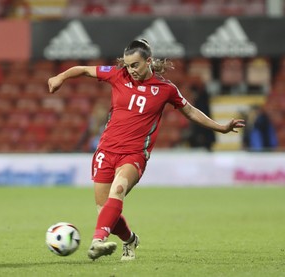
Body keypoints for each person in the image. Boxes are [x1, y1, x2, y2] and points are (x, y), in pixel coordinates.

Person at [48, 39, 245, 261]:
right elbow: (83, 69)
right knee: (106, 213)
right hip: (106, 151)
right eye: (128, 65)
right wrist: (60, 77)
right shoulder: (117, 75)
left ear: (148, 61)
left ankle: (97, 242)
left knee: (118, 190)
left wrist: (220, 128)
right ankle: (130, 240)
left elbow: (190, 111)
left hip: (134, 155)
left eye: (135, 65)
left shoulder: (166, 89)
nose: (130, 70)